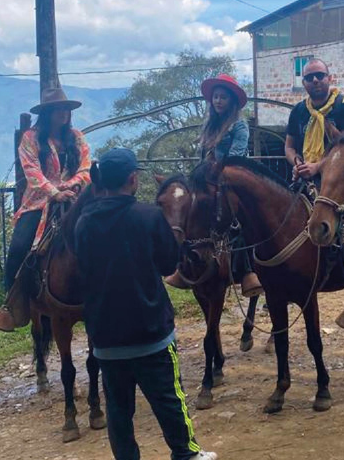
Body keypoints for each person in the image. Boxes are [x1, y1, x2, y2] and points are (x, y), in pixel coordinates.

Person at [75, 148, 217, 460]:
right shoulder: (148, 216)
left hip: (105, 336)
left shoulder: (83, 222)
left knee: (118, 410)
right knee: (169, 398)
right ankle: (186, 454)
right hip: (150, 330)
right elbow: (168, 266)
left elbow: (82, 269)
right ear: (133, 178)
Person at [0, 87, 91, 332]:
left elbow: (86, 168)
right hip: (39, 202)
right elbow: (32, 173)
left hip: (74, 198)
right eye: (58, 110)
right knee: (19, 246)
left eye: (66, 110)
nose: (63, 114)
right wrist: (55, 192)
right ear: (47, 113)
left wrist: (71, 186)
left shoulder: (77, 136)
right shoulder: (31, 139)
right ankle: (13, 304)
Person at [164, 73, 262, 298]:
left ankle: (247, 271)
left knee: (239, 220)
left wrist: (213, 172)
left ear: (231, 101)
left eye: (223, 98)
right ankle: (184, 266)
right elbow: (202, 156)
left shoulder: (239, 125)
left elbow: (235, 157)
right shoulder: (209, 126)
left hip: (231, 180)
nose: (218, 101)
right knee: (190, 212)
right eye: (215, 97)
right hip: (207, 180)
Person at [284, 58, 344, 331]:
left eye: (319, 76)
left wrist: (318, 166)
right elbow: (290, 145)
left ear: (330, 78)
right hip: (305, 175)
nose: (315, 81)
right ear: (303, 83)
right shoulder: (299, 112)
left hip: (341, 179)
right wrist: (297, 163)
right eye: (309, 78)